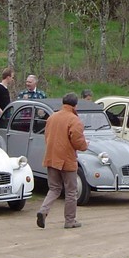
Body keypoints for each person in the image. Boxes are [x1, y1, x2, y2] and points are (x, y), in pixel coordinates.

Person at [36, 93, 88, 230]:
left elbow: (46, 136)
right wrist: (84, 146)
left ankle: (43, 210)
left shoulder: (52, 117)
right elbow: (77, 141)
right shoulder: (74, 120)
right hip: (67, 159)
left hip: (51, 157)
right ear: (75, 105)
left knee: (54, 189)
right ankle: (69, 220)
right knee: (71, 191)